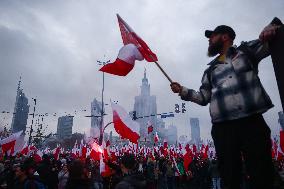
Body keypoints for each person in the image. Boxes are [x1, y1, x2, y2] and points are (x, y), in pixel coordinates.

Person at [170, 19, 282, 189]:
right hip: (224, 129)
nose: (209, 40)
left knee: (262, 174)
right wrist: (183, 91)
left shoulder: (246, 51)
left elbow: (274, 37)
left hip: (252, 122)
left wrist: (272, 27)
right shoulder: (210, 71)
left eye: (212, 36)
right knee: (229, 177)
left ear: (225, 37)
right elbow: (203, 97)